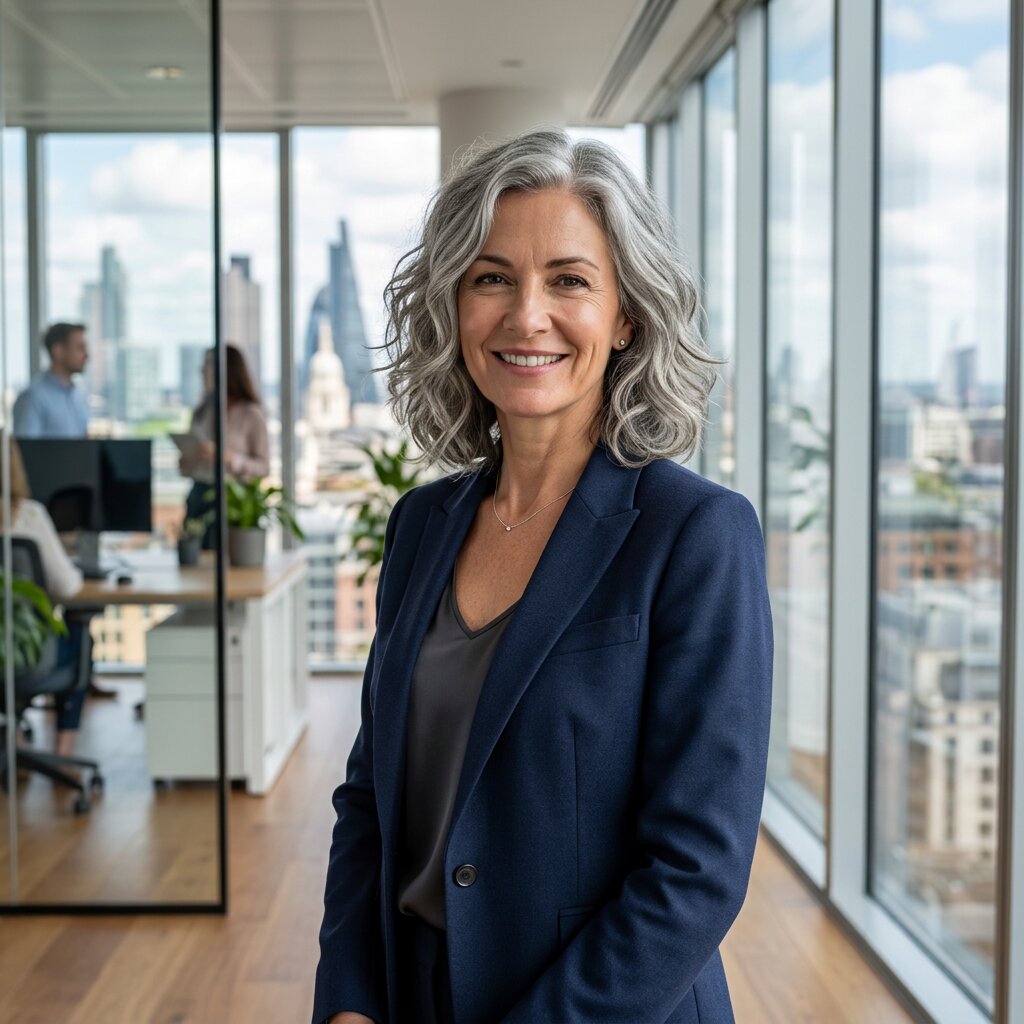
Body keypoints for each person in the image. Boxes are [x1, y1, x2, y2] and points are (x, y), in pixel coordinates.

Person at [312, 129, 773, 1024]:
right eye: (492, 278)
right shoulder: (419, 528)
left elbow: (697, 871)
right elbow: (371, 794)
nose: (527, 315)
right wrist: (350, 999)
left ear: (626, 314)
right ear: (455, 306)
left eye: (569, 280)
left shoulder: (698, 535)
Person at [2, 436, 86, 758]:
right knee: (79, 631)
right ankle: (63, 755)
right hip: (31, 658)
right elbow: (67, 587)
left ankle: (16, 746)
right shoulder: (29, 516)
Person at [178, 344, 269, 549]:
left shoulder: (250, 414)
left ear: (227, 369)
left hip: (233, 501)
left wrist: (229, 458)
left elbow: (264, 467)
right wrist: (189, 459)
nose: (202, 371)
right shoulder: (202, 411)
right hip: (198, 496)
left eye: (208, 365)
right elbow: (189, 466)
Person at [13, 322, 90, 439]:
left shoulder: (79, 396)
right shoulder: (33, 397)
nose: (86, 355)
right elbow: (25, 452)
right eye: (80, 348)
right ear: (58, 351)